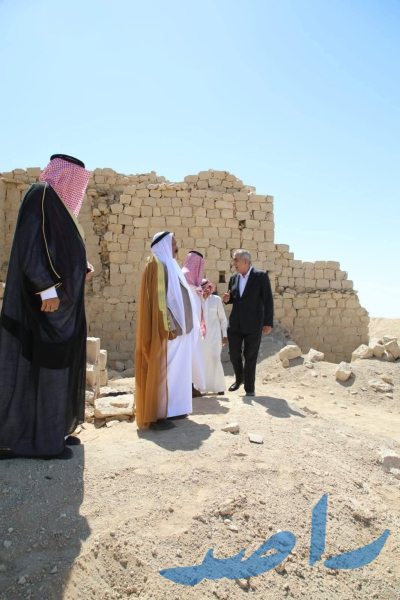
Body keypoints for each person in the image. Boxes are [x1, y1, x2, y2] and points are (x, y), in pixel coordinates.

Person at [0, 154, 92, 459]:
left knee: (60, 367)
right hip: (44, 307)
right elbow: (31, 244)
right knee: (46, 367)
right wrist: (46, 287)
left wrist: (80, 267)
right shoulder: (40, 194)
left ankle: (55, 432)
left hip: (62, 308)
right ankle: (39, 442)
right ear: (65, 176)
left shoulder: (56, 206)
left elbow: (57, 249)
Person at [135, 232, 202, 430]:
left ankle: (174, 409)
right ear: (163, 245)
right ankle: (157, 414)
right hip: (168, 330)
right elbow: (159, 300)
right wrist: (168, 326)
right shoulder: (156, 264)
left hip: (180, 331)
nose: (176, 247)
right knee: (164, 372)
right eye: (173, 244)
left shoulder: (170, 264)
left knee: (177, 372)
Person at [223, 249, 273, 397]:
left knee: (250, 356)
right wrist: (227, 300)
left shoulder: (260, 276)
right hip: (235, 323)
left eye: (236, 260)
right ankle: (240, 378)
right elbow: (234, 298)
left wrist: (268, 323)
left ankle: (249, 388)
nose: (234, 263)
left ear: (245, 261)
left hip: (254, 324)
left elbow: (268, 300)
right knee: (233, 353)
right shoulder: (234, 278)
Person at [182, 251, 206, 398]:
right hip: (186, 329)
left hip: (192, 329)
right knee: (188, 357)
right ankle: (188, 389)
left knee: (191, 358)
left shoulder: (194, 285)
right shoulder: (185, 279)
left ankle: (190, 387)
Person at [199, 279, 228, 394]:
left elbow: (223, 318)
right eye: (203, 288)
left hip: (215, 336)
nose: (206, 290)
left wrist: (225, 334)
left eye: (208, 287)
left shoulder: (216, 300)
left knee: (215, 359)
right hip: (201, 338)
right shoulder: (197, 301)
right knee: (203, 361)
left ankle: (219, 388)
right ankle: (203, 388)